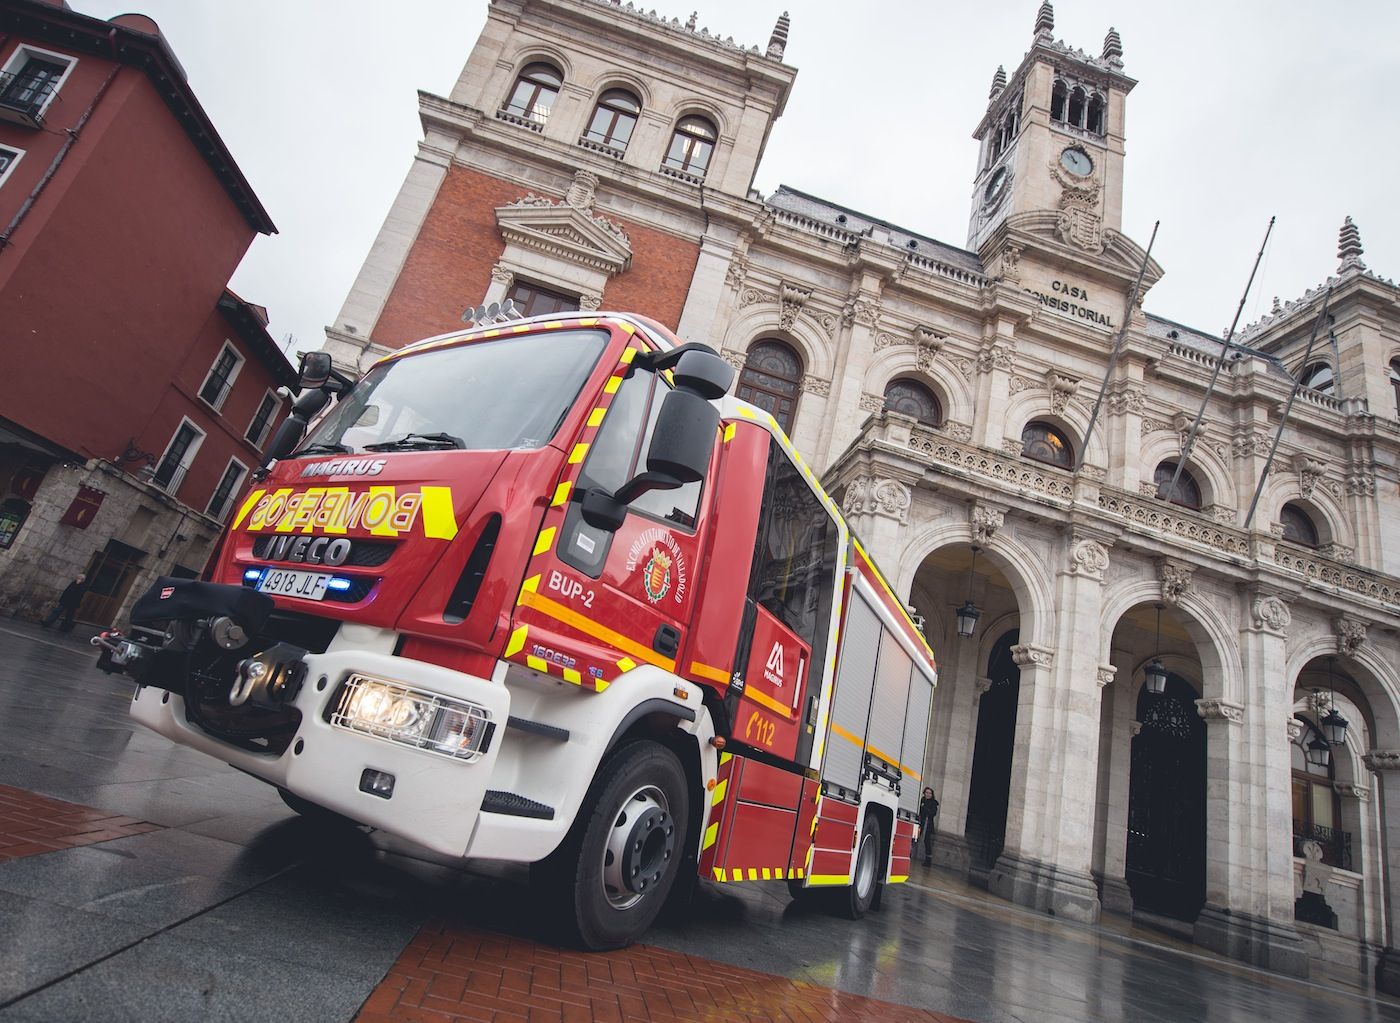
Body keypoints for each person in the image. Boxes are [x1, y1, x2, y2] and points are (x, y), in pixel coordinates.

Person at [917, 786, 939, 867]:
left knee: (927, 842)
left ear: (932, 795)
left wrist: (924, 807)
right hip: (919, 822)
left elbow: (932, 813)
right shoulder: (921, 800)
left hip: (928, 825)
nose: (928, 794)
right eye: (926, 792)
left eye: (930, 793)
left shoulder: (933, 803)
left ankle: (928, 860)